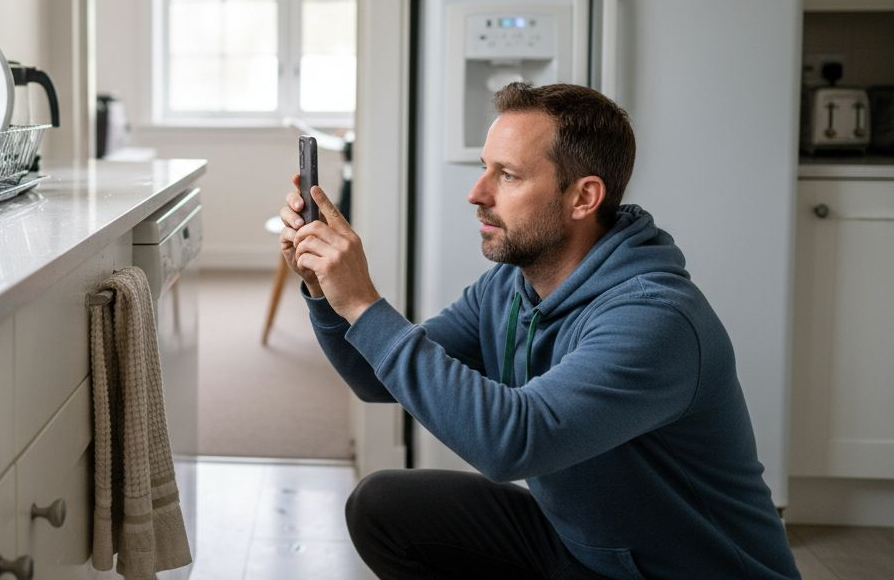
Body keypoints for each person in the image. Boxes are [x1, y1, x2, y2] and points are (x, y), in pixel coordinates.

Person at [278, 82, 800, 580]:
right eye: (485, 168)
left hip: (679, 573)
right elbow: (377, 381)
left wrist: (365, 303)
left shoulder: (656, 320)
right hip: (583, 552)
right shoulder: (509, 286)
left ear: (583, 197)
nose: (476, 193)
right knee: (384, 506)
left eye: (507, 175)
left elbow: (513, 441)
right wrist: (327, 294)